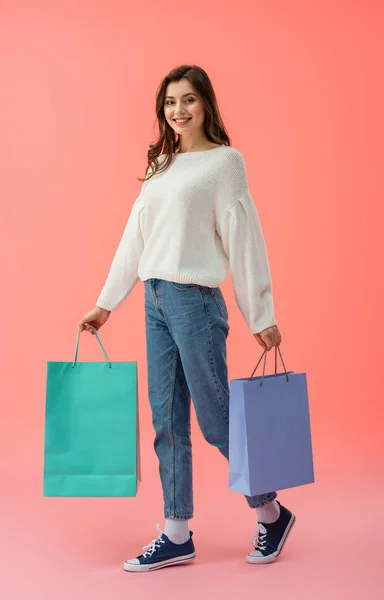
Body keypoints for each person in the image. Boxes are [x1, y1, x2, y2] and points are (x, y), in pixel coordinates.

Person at [79, 64, 296, 573]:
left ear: (206, 105)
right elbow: (136, 238)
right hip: (155, 300)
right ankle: (177, 533)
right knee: (167, 422)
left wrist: (259, 311)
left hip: (195, 302)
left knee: (217, 418)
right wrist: (107, 303)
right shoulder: (161, 164)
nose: (178, 110)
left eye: (188, 100)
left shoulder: (225, 164)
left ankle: (271, 513)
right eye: (170, 102)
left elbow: (245, 241)